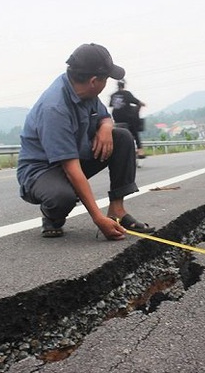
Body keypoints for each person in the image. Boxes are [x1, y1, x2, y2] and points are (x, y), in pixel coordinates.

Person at [16, 43, 155, 239]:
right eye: (106, 78)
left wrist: (106, 127)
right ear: (93, 81)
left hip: (74, 156)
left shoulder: (86, 92)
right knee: (61, 197)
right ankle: (51, 216)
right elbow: (71, 168)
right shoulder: (54, 108)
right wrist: (98, 219)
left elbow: (105, 116)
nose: (106, 83)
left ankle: (117, 211)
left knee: (122, 137)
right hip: (42, 171)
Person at [109, 80, 147, 158]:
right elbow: (137, 102)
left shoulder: (113, 95)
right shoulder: (127, 94)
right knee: (135, 133)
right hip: (127, 118)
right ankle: (140, 151)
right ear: (124, 86)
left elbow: (111, 105)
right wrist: (142, 104)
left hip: (117, 118)